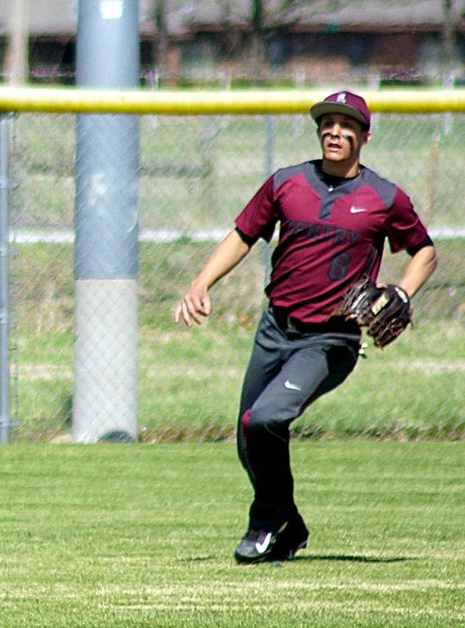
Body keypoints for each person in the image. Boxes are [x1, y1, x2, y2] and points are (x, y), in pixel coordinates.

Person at [174, 90, 437, 563]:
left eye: (347, 125)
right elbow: (242, 236)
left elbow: (424, 251)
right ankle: (290, 526)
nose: (335, 132)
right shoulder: (286, 183)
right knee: (248, 437)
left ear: (365, 136)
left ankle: (262, 522)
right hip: (276, 327)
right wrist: (200, 283)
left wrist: (400, 292)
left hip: (331, 338)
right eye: (328, 123)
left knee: (268, 417)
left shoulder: (383, 197)